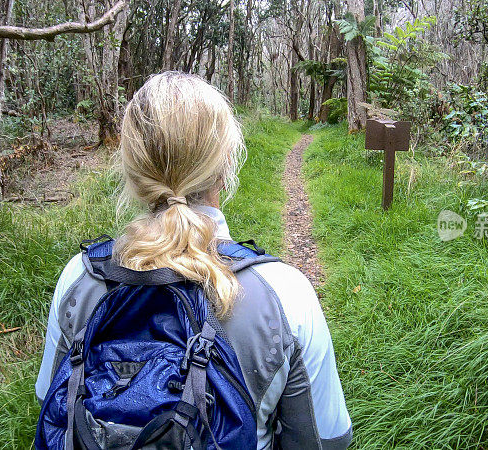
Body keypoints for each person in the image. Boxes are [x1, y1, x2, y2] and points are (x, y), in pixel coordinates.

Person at [35, 71, 351, 449]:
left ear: (133, 170)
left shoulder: (79, 279)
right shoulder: (285, 295)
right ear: (223, 166)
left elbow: (51, 409)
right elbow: (324, 441)